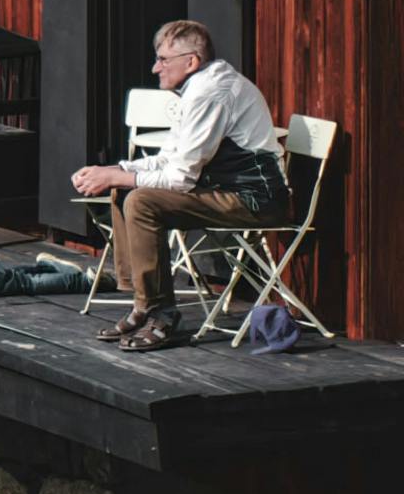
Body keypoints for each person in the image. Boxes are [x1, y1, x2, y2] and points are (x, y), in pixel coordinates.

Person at [70, 18, 287, 348]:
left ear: (192, 61)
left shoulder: (212, 93)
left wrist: (118, 175)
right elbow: (170, 156)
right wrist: (114, 169)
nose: (155, 67)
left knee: (142, 201)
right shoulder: (196, 89)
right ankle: (143, 304)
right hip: (220, 190)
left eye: (163, 60)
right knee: (124, 188)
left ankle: (162, 315)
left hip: (255, 199)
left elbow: (180, 179)